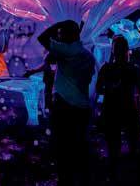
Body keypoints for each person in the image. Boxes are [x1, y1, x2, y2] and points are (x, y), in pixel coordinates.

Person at [37, 20, 96, 186]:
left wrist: (61, 23)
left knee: (62, 146)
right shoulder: (87, 55)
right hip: (82, 106)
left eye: (61, 33)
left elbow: (42, 38)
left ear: (68, 35)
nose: (59, 36)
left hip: (65, 107)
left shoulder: (67, 51)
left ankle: (66, 180)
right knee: (80, 145)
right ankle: (83, 178)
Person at [96, 35, 140, 174]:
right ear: (127, 50)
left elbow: (98, 89)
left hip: (112, 110)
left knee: (114, 146)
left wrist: (109, 88)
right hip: (128, 109)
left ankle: (115, 173)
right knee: (133, 144)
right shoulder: (133, 68)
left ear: (113, 51)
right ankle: (134, 173)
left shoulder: (106, 68)